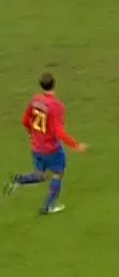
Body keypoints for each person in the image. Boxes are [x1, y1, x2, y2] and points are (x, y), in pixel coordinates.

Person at [3, 73, 88, 215]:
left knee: (40, 174)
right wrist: (76, 145)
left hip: (36, 146)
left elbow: (25, 120)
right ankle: (49, 206)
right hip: (51, 148)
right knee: (58, 173)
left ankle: (20, 180)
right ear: (54, 84)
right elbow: (59, 132)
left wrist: (31, 134)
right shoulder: (56, 106)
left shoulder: (35, 100)